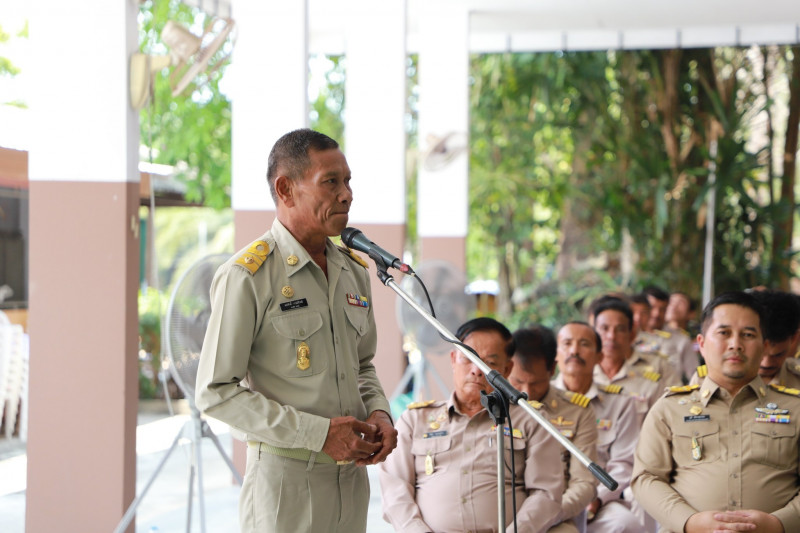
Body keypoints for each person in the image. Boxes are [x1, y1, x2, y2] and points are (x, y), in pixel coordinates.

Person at [195, 128, 397, 533]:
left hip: (350, 483)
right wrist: (318, 434)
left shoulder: (354, 270)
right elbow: (215, 393)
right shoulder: (248, 276)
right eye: (330, 182)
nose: (347, 195)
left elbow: (363, 365)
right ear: (285, 190)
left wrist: (379, 412)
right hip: (285, 484)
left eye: (348, 181)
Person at [631, 291, 800, 533]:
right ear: (701, 343)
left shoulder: (794, 409)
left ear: (764, 346)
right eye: (724, 333)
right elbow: (646, 477)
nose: (735, 344)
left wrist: (779, 523)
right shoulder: (668, 409)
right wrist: (689, 522)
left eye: (748, 335)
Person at [379, 317, 564, 533]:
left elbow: (546, 493)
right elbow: (395, 490)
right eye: (468, 358)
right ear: (453, 359)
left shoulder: (530, 419)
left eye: (490, 362)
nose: (476, 370)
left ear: (507, 369)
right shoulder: (415, 420)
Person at [551, 321, 643, 533]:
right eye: (567, 344)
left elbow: (623, 463)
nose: (574, 351)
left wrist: (597, 498)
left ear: (600, 357)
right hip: (550, 498)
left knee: (626, 525)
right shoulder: (538, 400)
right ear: (556, 354)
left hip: (598, 500)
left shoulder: (620, 403)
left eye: (584, 344)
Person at [508, 325, 598, 533]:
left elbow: (584, 483)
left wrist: (545, 515)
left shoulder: (578, 411)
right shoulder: (492, 409)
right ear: (506, 368)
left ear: (552, 370)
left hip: (554, 516)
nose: (526, 393)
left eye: (536, 383)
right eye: (518, 382)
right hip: (501, 512)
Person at [592, 297, 679, 421]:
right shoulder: (579, 377)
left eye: (620, 329)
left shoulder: (650, 384)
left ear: (632, 335)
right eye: (604, 329)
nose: (611, 336)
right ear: (593, 334)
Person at [643, 285, 699, 383]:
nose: (656, 314)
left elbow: (695, 376)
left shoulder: (681, 340)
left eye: (662, 309)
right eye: (652, 308)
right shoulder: (630, 335)